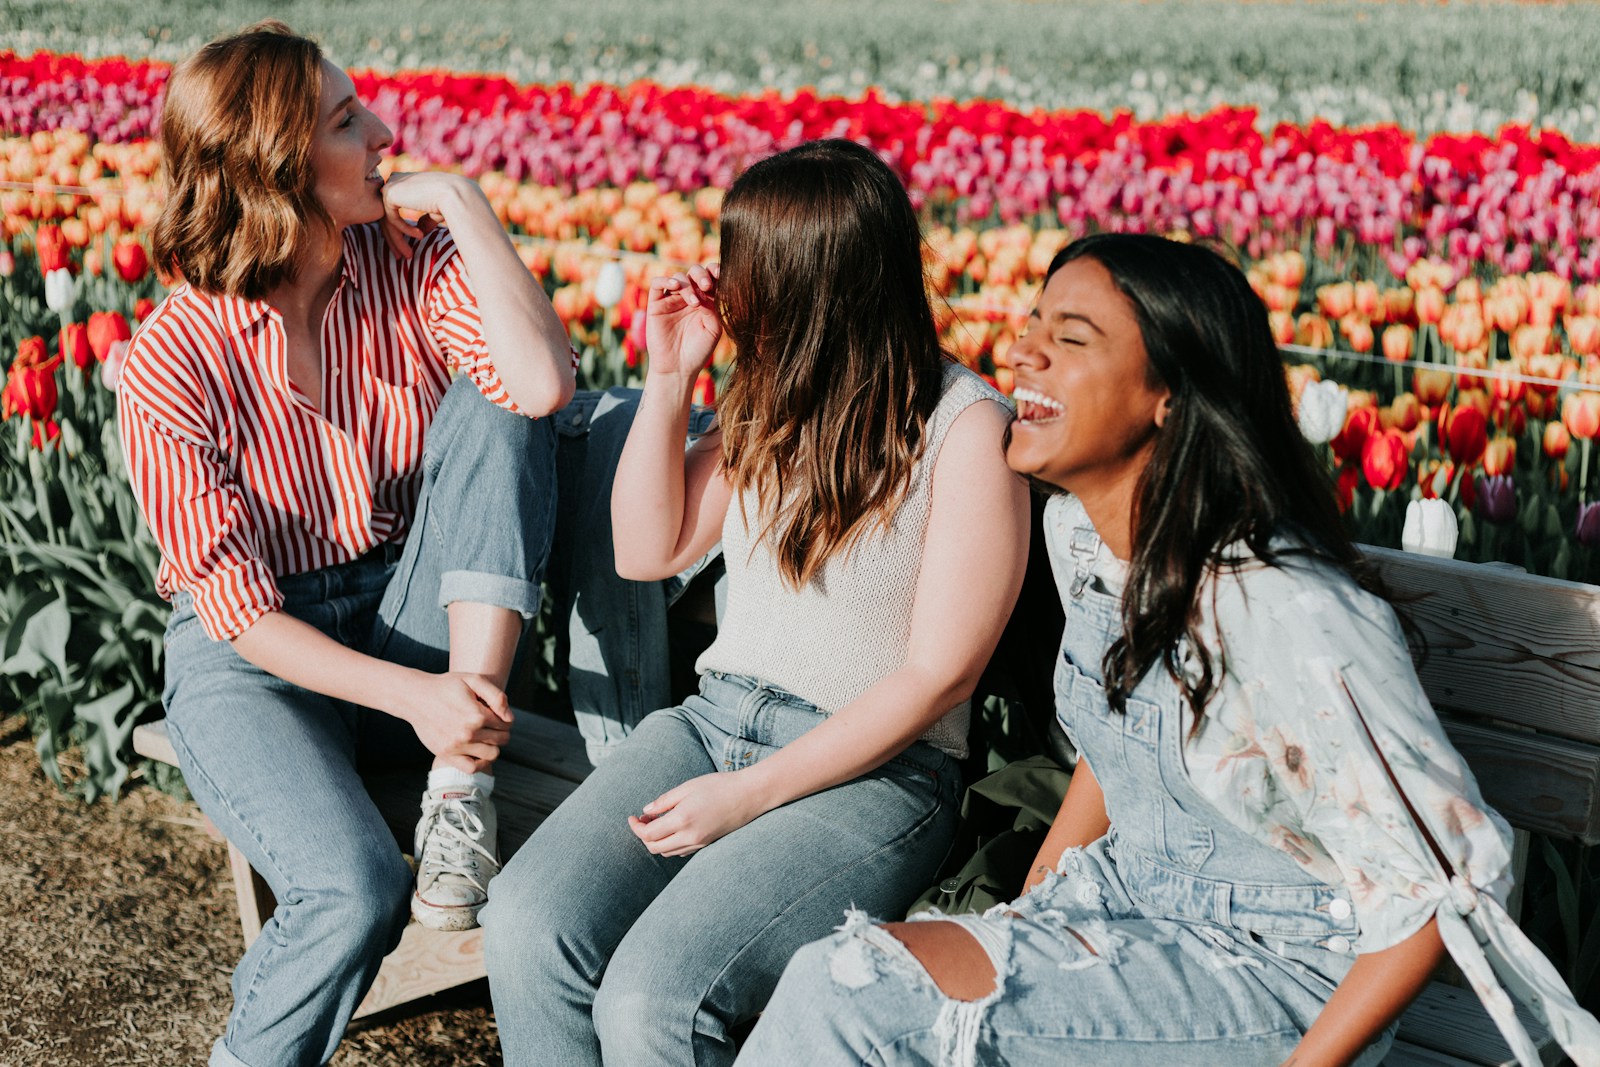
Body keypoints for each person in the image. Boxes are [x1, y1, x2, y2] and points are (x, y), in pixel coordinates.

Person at [738, 234, 1600, 1067]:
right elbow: (1123, 747)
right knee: (836, 978)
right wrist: (1036, 897)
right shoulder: (1082, 536)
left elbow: (1429, 890)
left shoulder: (1282, 610)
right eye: (1033, 323)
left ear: (1172, 398)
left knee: (857, 1005)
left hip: (1279, 970)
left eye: (1069, 337)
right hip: (1123, 904)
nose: (1025, 351)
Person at [480, 138, 1031, 1066]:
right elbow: (646, 548)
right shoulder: (772, 400)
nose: (723, 285)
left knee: (657, 998)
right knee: (528, 925)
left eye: (744, 264)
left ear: (812, 283)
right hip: (711, 724)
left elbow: (944, 674)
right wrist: (668, 378)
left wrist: (747, 797)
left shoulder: (965, 426)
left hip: (877, 771)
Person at [115, 22, 577, 1067]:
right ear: (275, 167)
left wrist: (462, 200)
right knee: (353, 889)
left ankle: (459, 789)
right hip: (258, 663)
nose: (384, 131)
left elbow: (540, 389)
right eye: (344, 120)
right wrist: (417, 699)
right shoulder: (169, 364)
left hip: (406, 613)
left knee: (498, 402)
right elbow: (237, 612)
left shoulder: (408, 262)